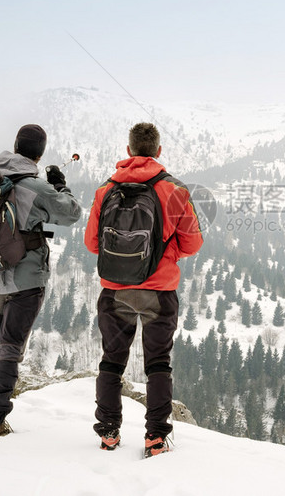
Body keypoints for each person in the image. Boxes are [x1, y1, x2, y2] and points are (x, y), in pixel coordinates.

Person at [0, 124, 82, 436]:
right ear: (40, 153)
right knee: (11, 348)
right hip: (26, 281)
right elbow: (72, 214)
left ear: (15, 146)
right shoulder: (36, 188)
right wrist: (60, 186)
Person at [84, 122, 203, 457]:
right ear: (159, 151)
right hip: (160, 291)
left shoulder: (104, 190)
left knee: (112, 360)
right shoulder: (175, 190)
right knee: (158, 363)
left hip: (115, 290)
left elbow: (92, 244)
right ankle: (155, 437)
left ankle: (108, 432)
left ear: (129, 151)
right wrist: (165, 255)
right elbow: (192, 244)